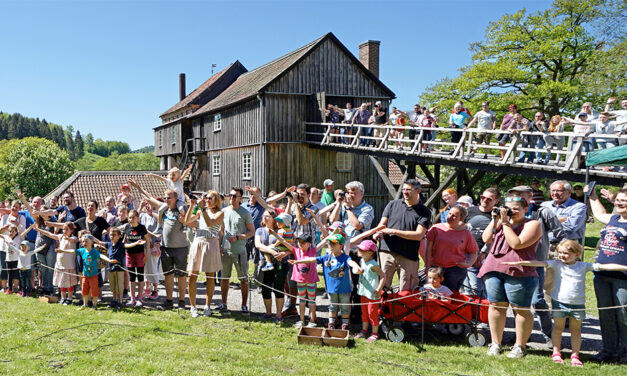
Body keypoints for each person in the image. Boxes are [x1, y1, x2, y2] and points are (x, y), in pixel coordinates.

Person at [504, 239, 627, 367]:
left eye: (566, 253)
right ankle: (556, 352)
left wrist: (625, 267)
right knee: (558, 328)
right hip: (559, 303)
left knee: (576, 330)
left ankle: (575, 355)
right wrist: (519, 262)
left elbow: (605, 267)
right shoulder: (556, 264)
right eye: (560, 253)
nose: (562, 256)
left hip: (578, 305)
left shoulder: (584, 266)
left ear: (577, 254)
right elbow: (538, 263)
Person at [478, 196, 542, 358]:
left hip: (519, 271)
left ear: (526, 209)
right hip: (493, 268)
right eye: (508, 208)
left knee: (520, 309)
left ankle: (520, 346)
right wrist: (495, 221)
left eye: (516, 209)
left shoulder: (533, 224)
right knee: (495, 306)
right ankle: (496, 343)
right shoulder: (501, 222)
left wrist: (506, 223)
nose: (511, 212)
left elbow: (516, 243)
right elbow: (486, 239)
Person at [507, 185, 565, 344]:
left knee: (537, 300)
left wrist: (551, 248)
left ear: (530, 195)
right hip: (514, 261)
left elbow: (559, 232)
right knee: (516, 301)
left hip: (535, 262)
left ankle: (549, 335)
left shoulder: (542, 212)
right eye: (514, 194)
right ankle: (522, 335)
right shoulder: (509, 212)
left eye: (521, 194)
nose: (518, 197)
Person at [128, 180, 189, 310]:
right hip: (166, 247)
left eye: (169, 197)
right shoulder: (163, 208)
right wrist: (137, 186)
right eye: (165, 197)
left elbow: (192, 219)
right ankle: (169, 300)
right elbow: (149, 197)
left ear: (176, 198)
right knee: (168, 275)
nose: (166, 199)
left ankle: (182, 301)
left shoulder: (182, 209)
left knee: (182, 276)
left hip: (181, 248)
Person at [585, 185, 627, 363]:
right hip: (601, 274)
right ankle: (609, 350)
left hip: (623, 276)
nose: (619, 202)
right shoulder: (613, 218)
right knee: (605, 314)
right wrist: (592, 194)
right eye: (618, 199)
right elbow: (599, 214)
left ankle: (624, 352)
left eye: (624, 200)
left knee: (623, 315)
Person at [374, 179, 431, 291]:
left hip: (408, 255)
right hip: (386, 251)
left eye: (408, 190)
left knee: (407, 289)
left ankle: (403, 309)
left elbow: (418, 235)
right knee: (381, 286)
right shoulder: (392, 204)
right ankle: (382, 308)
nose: (405, 192)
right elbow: (382, 225)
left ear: (418, 190)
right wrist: (378, 232)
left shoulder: (424, 211)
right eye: (403, 189)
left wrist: (393, 231)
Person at [290, 233, 351, 330]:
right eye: (330, 244)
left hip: (335, 286)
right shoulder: (324, 257)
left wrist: (356, 267)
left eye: (303, 242)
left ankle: (342, 323)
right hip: (319, 286)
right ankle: (328, 323)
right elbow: (311, 259)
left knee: (342, 306)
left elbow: (323, 243)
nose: (300, 244)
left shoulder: (344, 257)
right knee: (331, 306)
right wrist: (297, 262)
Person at [184, 191, 223, 318]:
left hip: (210, 243)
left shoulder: (220, 213)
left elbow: (211, 223)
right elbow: (188, 221)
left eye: (210, 198)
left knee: (210, 276)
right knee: (191, 275)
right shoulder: (201, 211)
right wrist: (191, 206)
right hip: (198, 242)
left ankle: (207, 305)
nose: (207, 200)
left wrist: (202, 209)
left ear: (216, 200)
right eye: (206, 198)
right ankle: (193, 306)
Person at [218, 187, 255, 313]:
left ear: (240, 198)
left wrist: (238, 237)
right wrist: (219, 246)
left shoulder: (245, 213)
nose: (231, 198)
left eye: (234, 196)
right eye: (230, 195)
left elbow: (252, 232)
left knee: (243, 279)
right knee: (224, 278)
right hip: (225, 251)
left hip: (239, 251)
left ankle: (244, 305)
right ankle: (223, 303)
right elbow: (221, 231)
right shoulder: (224, 211)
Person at [426, 206, 479, 291]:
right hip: (435, 268)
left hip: (454, 270)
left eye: (454, 215)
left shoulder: (466, 233)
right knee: (432, 293)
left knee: (449, 295)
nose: (450, 217)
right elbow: (428, 249)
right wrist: (427, 266)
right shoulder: (436, 228)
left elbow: (474, 251)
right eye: (449, 213)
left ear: (461, 218)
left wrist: (468, 264)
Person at [57, 234, 117, 310]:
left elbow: (101, 256)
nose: (84, 243)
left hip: (93, 276)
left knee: (94, 291)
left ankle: (94, 305)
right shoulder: (82, 251)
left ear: (92, 242)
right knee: (84, 291)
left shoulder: (94, 252)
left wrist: (109, 260)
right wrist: (62, 251)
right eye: (83, 241)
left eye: (86, 241)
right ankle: (85, 304)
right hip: (85, 275)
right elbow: (73, 251)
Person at [271, 231, 318, 328]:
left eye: (303, 242)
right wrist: (275, 234)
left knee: (312, 301)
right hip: (300, 281)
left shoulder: (313, 250)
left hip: (311, 281)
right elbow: (284, 241)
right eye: (299, 242)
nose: (300, 244)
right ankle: (301, 320)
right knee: (301, 301)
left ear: (309, 244)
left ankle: (312, 321)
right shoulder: (296, 250)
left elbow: (324, 241)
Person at [464, 188, 500, 296]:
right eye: (482, 197)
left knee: (479, 287)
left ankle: (482, 310)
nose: (485, 200)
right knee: (466, 288)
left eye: (489, 199)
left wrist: (484, 252)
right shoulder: (470, 211)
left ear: (496, 201)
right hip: (465, 253)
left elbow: (496, 236)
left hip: (484, 254)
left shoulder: (496, 215)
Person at [255, 210, 289, 321]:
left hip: (281, 263)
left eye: (268, 216)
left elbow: (289, 245)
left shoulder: (281, 230)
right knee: (266, 288)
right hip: (265, 264)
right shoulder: (260, 230)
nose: (265, 218)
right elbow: (258, 244)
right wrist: (272, 251)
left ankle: (278, 315)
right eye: (264, 215)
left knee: (279, 288)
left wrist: (284, 253)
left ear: (274, 218)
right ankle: (268, 313)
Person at [34, 222, 79, 305]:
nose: (64, 231)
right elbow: (49, 234)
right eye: (63, 229)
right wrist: (38, 229)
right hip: (60, 265)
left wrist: (67, 238)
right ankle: (63, 298)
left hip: (69, 265)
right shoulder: (60, 237)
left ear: (72, 230)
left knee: (70, 284)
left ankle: (69, 298)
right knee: (61, 283)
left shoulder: (74, 238)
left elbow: (74, 240)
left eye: (67, 229)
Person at [352, 240, 386, 343]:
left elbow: (383, 276)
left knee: (372, 313)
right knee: (364, 313)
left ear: (370, 253)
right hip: (363, 292)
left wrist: (379, 289)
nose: (359, 250)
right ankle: (364, 330)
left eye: (362, 249)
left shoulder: (373, 264)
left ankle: (375, 333)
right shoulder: (362, 260)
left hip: (372, 293)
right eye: (359, 248)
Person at [541, 181, 587, 246]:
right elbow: (538, 223)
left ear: (569, 192)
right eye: (553, 191)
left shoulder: (578, 206)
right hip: (545, 244)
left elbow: (571, 227)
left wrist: (547, 222)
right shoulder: (545, 205)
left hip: (567, 245)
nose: (555, 193)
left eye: (559, 191)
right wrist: (562, 220)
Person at [121, 210, 149, 307]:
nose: (131, 219)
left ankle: (140, 298)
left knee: (140, 277)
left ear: (137, 218)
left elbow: (147, 240)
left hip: (140, 254)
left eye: (133, 217)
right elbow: (124, 243)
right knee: (132, 278)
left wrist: (147, 254)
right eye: (129, 217)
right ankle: (132, 298)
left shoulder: (141, 228)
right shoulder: (127, 227)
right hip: (129, 255)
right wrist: (131, 244)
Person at [101, 227, 125, 308]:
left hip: (119, 269)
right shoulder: (109, 244)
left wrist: (136, 243)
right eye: (110, 235)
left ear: (118, 236)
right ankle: (114, 300)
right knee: (113, 286)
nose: (112, 236)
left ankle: (120, 301)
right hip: (111, 268)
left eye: (114, 235)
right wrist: (92, 238)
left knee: (119, 286)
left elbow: (128, 245)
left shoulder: (121, 245)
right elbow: (100, 242)